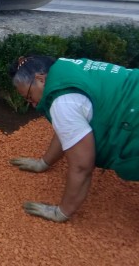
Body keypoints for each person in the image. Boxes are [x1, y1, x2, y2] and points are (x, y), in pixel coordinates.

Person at [9, 55, 139, 222]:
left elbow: (82, 166)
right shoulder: (64, 69)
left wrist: (62, 212)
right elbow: (69, 129)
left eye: (28, 96)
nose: (32, 104)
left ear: (40, 79)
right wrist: (43, 163)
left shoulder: (63, 103)